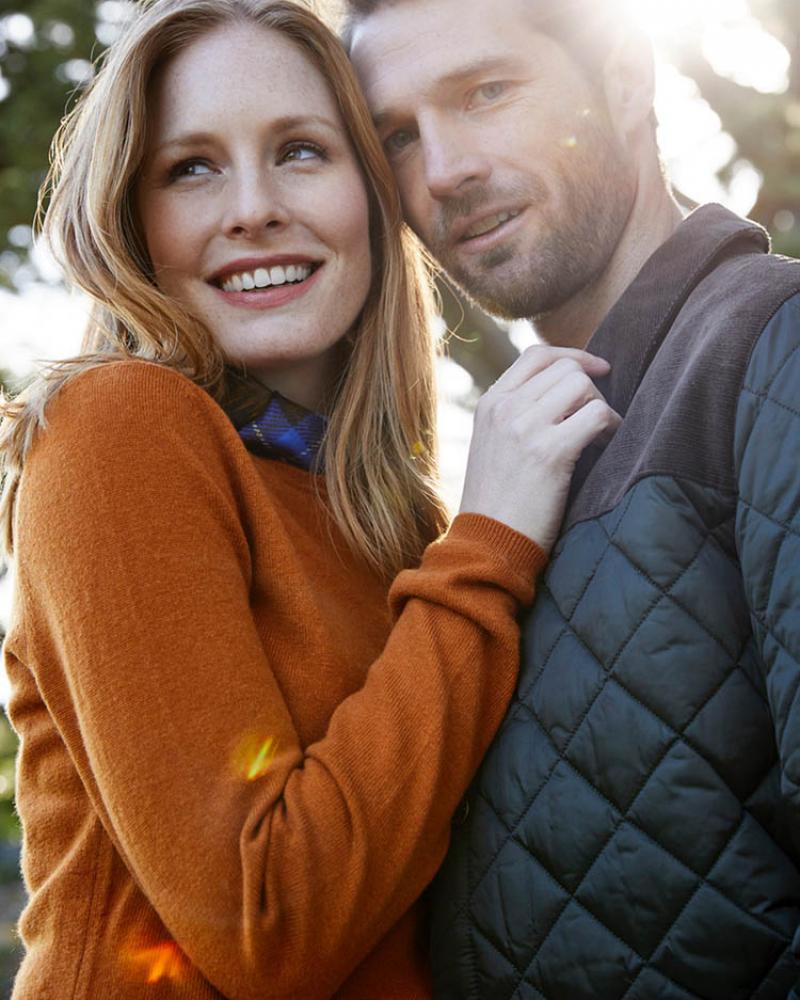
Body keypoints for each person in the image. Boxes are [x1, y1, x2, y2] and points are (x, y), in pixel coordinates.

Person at [0, 1, 620, 998]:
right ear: (131, 217)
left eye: (299, 151)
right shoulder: (117, 428)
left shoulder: (395, 526)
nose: (252, 208)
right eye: (190, 167)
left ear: (374, 198)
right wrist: (489, 544)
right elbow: (267, 926)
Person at [344, 0, 800, 996]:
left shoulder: (772, 346)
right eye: (397, 137)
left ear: (624, 78)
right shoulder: (510, 465)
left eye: (486, 92)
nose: (442, 170)